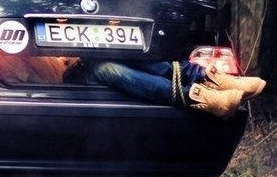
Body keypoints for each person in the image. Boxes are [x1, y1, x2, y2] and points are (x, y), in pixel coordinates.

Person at [82, 60, 266, 119]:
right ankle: (198, 97)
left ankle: (208, 78)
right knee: (107, 68)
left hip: (93, 54)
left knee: (127, 51)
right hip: (79, 72)